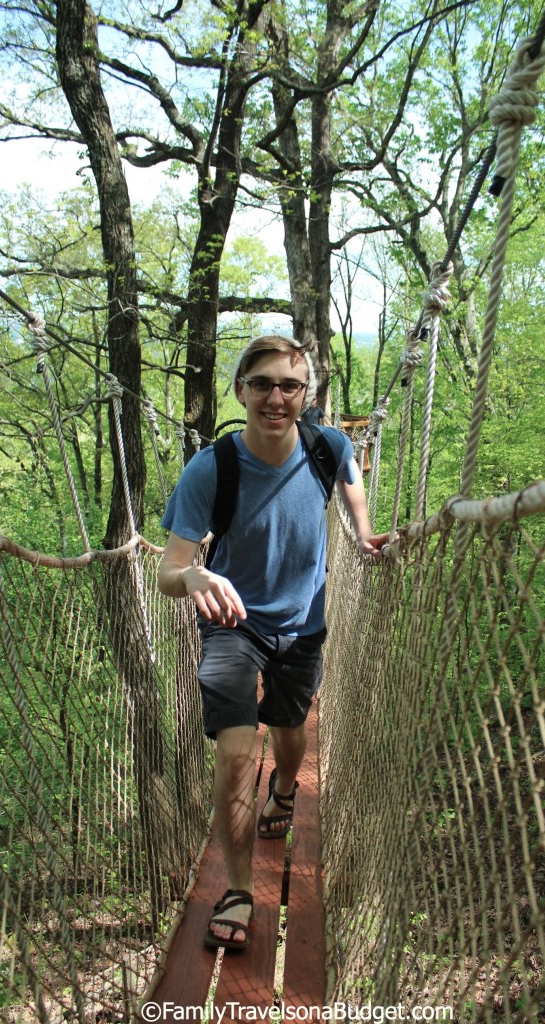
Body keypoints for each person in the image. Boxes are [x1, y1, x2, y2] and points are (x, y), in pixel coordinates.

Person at [157, 334, 387, 951]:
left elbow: (351, 479)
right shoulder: (212, 467)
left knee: (289, 734)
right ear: (241, 391)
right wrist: (197, 574)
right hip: (232, 622)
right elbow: (166, 571)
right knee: (235, 754)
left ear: (305, 395)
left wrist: (363, 532)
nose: (276, 397)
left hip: (303, 623)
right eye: (262, 384)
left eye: (289, 385)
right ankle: (235, 890)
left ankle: (283, 790)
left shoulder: (326, 445)